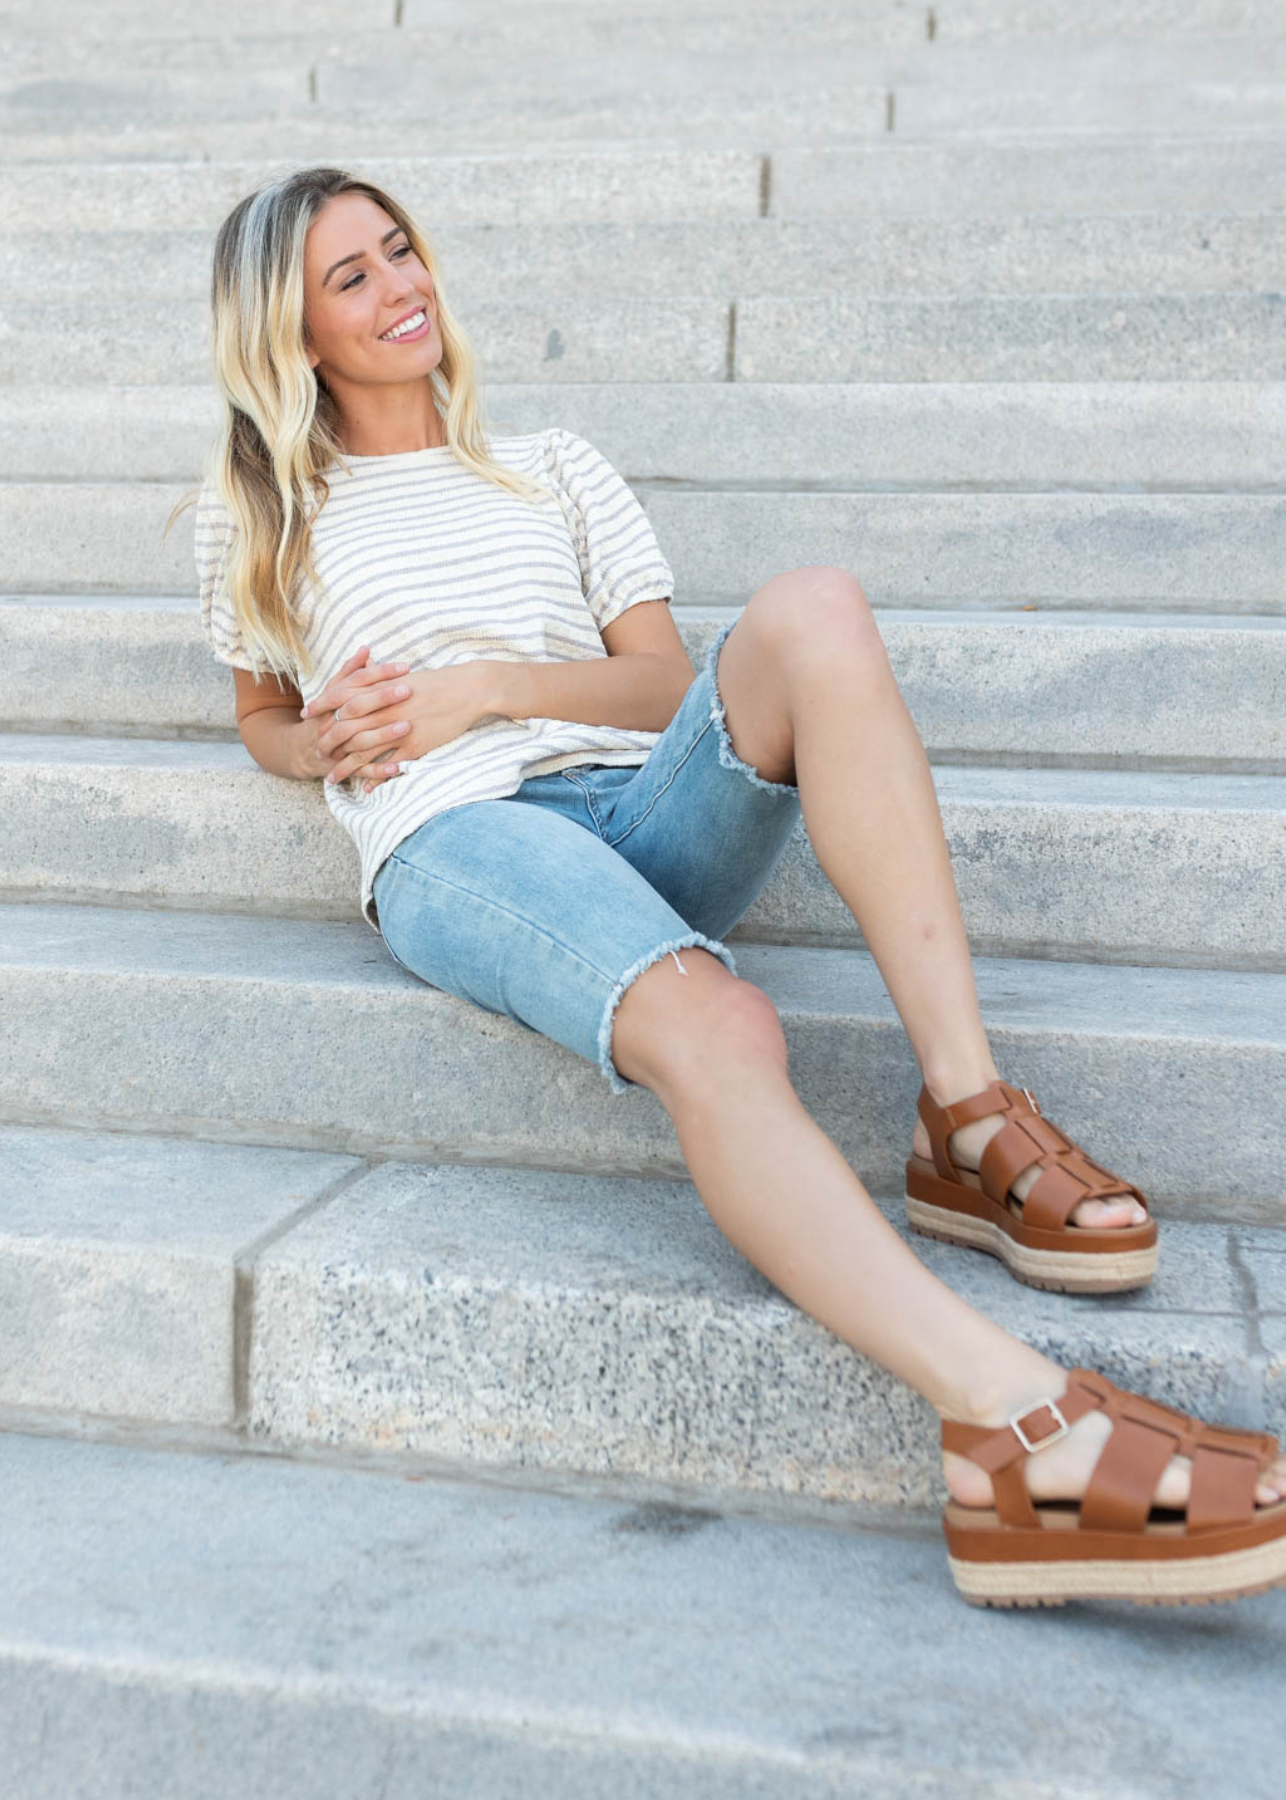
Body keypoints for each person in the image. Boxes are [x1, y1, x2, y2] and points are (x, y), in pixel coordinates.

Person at [176, 165, 1286, 1608]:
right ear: (290, 332)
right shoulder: (257, 510)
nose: (403, 290)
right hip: (459, 835)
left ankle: (964, 1112)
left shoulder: (555, 466)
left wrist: (485, 686)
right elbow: (263, 718)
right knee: (724, 1029)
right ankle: (1010, 1427)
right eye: (352, 279)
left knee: (812, 606)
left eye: (402, 254)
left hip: (631, 803)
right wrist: (315, 741)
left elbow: (660, 685)